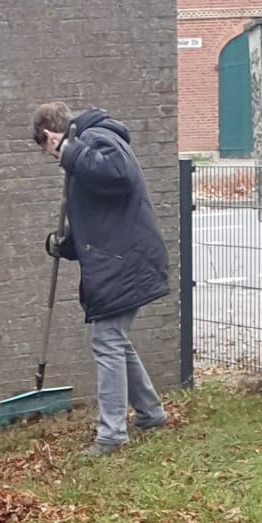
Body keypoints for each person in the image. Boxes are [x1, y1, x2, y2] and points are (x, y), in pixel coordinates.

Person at [31, 102, 170, 458]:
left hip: (126, 261)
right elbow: (102, 210)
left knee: (107, 341)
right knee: (114, 340)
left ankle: (111, 436)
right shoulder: (85, 148)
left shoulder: (98, 138)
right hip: (119, 258)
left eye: (49, 151)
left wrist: (69, 152)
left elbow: (117, 175)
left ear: (50, 136)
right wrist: (69, 246)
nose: (53, 158)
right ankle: (151, 414)